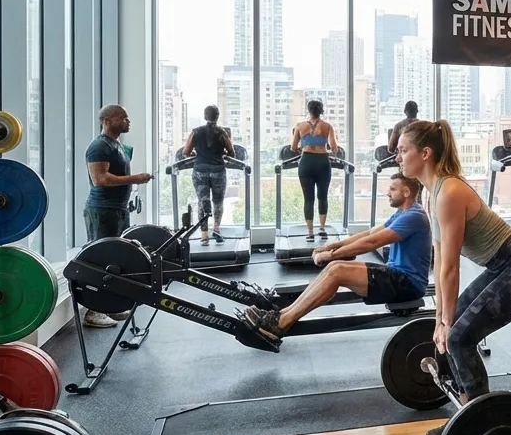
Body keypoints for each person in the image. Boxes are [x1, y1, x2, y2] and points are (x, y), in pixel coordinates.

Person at [397, 120, 511, 435]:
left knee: (458, 338)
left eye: (402, 150)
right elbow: (439, 263)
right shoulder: (432, 194)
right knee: (451, 331)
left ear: (425, 153)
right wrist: (440, 318)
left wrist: (446, 323)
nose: (397, 156)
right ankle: (467, 414)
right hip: (504, 264)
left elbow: (452, 268)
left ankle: (478, 423)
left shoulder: (450, 191)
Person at [241, 173, 432, 340]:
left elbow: (372, 243)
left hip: (407, 284)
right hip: (395, 275)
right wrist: (332, 246)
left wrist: (330, 255)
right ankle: (281, 315)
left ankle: (281, 324)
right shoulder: (403, 213)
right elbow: (368, 234)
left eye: (392, 189)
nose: (387, 193)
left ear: (406, 192)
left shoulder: (414, 216)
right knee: (335, 268)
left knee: (337, 269)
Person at [84, 105, 152, 328]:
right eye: (122, 118)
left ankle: (108, 306)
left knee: (116, 259)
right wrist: (136, 178)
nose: (127, 121)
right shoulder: (99, 146)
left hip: (118, 210)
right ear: (107, 120)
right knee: (100, 259)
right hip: (103, 211)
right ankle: (93, 312)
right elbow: (100, 179)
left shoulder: (116, 145)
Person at [183, 105, 235, 246]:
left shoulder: (196, 132)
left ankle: (204, 237)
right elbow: (232, 152)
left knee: (202, 200)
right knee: (218, 202)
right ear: (217, 116)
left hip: (200, 170)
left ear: (205, 116)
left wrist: (196, 153)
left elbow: (186, 152)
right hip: (218, 170)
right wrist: (222, 153)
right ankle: (216, 229)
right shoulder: (222, 132)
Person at [291, 100, 339, 241]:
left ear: (309, 110)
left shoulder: (300, 126)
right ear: (321, 111)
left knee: (308, 198)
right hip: (322, 162)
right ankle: (322, 229)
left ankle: (310, 233)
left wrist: (302, 147)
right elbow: (334, 147)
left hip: (306, 162)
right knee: (322, 196)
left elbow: (293, 147)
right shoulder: (327, 126)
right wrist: (331, 149)